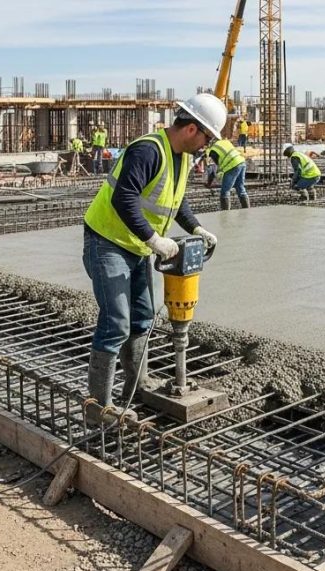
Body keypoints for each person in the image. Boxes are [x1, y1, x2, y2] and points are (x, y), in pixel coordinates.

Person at [81, 93, 224, 426]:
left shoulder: (182, 158)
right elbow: (124, 198)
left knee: (143, 317)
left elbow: (175, 200)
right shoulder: (148, 150)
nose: (206, 145)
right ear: (192, 129)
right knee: (116, 322)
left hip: (137, 247)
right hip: (107, 242)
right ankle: (97, 408)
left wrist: (196, 228)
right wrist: (154, 239)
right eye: (207, 137)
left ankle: (138, 384)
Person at [207, 137, 249, 209]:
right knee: (240, 187)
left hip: (232, 166)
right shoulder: (225, 142)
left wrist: (209, 183)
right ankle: (247, 210)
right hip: (241, 162)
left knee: (225, 191)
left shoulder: (213, 150)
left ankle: (225, 213)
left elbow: (213, 168)